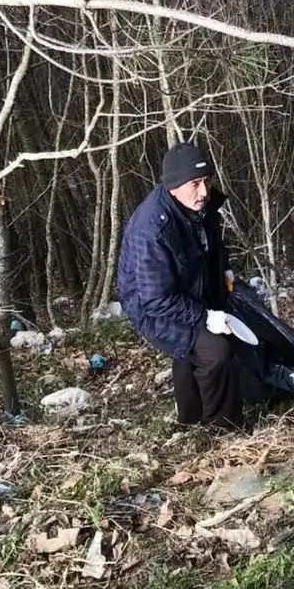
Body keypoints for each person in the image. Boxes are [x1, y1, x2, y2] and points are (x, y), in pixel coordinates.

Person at [118, 142, 243, 429]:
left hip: (187, 286)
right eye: (195, 183)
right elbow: (155, 299)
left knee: (198, 346)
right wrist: (205, 317)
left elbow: (212, 244)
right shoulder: (152, 230)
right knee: (214, 351)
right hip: (152, 305)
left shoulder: (197, 205)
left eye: (207, 181)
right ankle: (223, 429)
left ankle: (190, 417)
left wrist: (225, 271)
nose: (204, 191)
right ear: (174, 186)